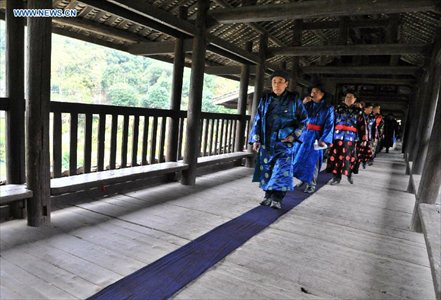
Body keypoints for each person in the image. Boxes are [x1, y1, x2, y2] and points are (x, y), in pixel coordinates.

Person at [249, 70, 308, 209]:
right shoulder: (265, 99)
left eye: (280, 81)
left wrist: (294, 136)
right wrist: (256, 139)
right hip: (266, 141)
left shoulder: (294, 100)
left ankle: (277, 198)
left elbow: (304, 121)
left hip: (284, 142)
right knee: (267, 169)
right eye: (274, 82)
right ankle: (268, 195)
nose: (277, 85)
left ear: (286, 84)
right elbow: (257, 120)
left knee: (281, 171)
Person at [293, 85, 334, 194]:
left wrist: (324, 139)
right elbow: (297, 117)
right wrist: (303, 104)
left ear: (322, 94)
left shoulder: (328, 107)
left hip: (316, 136)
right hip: (304, 135)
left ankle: (312, 183)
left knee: (313, 161)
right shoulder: (307, 104)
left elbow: (329, 125)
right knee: (299, 159)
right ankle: (303, 180)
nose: (313, 94)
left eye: (316, 91)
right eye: (312, 91)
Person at [326, 90, 367, 185]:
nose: (348, 98)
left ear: (355, 99)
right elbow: (331, 123)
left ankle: (349, 173)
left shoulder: (359, 111)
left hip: (351, 138)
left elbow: (362, 126)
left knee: (349, 157)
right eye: (347, 97)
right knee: (335, 157)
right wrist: (328, 136)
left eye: (351, 97)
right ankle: (336, 178)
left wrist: (363, 139)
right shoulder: (337, 109)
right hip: (337, 136)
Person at [356, 102, 374, 170]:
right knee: (359, 152)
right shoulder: (360, 115)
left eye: (372, 109)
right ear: (365, 108)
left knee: (367, 151)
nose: (371, 110)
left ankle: (365, 162)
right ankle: (357, 165)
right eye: (370, 108)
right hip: (360, 137)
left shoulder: (370, 117)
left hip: (368, 137)